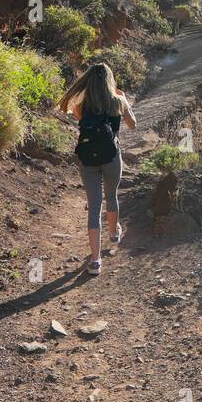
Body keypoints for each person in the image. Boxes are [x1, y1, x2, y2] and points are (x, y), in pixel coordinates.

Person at [57, 63, 137, 275]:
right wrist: (124, 99)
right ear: (109, 80)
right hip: (111, 157)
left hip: (87, 160)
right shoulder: (117, 101)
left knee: (94, 206)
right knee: (111, 196)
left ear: (89, 82)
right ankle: (113, 233)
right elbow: (133, 125)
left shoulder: (81, 106)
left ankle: (95, 261)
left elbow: (80, 118)